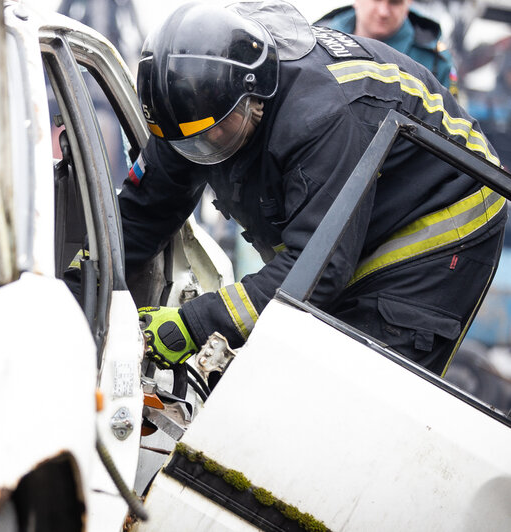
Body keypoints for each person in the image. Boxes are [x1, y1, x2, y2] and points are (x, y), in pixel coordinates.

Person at [125, 0, 506, 377]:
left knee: (346, 388)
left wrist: (194, 324)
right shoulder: (187, 111)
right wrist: (84, 278)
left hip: (447, 213)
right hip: (354, 219)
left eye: (220, 131)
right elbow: (143, 210)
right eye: (194, 142)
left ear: (252, 93)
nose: (209, 145)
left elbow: (317, 270)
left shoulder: (321, 116)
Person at [317, 0, 459, 96]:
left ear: (408, 3)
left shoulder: (435, 61)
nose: (383, 12)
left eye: (394, 2)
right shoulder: (314, 41)